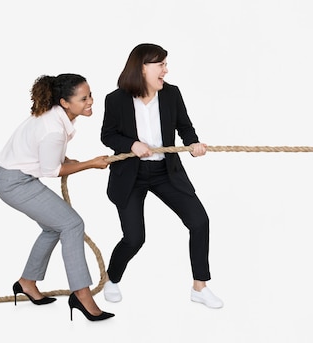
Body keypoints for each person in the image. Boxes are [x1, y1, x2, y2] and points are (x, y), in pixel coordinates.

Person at [100, 43, 223, 309]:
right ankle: (111, 279)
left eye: (165, 65)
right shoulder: (116, 99)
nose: (166, 70)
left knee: (199, 221)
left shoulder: (171, 94)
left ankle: (199, 287)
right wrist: (132, 144)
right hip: (131, 175)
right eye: (161, 65)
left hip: (165, 171)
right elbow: (107, 135)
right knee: (135, 238)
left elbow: (185, 126)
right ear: (143, 68)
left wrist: (194, 144)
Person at [0, 74, 115, 321]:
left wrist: (70, 161)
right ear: (65, 102)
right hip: (13, 182)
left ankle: (27, 282)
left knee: (53, 228)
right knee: (72, 224)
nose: (91, 100)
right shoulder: (53, 128)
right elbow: (51, 171)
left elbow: (46, 156)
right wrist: (90, 164)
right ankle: (81, 295)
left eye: (90, 94)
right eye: (84, 98)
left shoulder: (57, 119)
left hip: (17, 177)